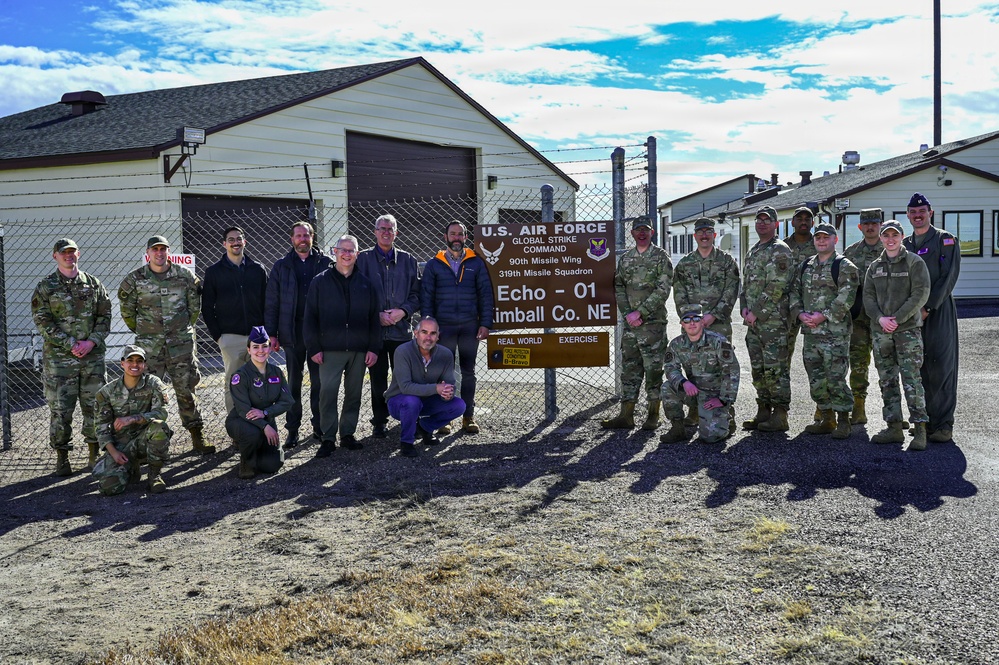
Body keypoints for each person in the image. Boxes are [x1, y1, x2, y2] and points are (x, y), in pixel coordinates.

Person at [119, 235, 213, 454]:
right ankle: (144, 443)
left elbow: (194, 308)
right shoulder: (135, 279)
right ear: (148, 253)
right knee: (147, 394)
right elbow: (128, 312)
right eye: (155, 250)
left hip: (180, 345)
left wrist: (178, 330)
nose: (159, 253)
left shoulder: (184, 276)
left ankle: (197, 436)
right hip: (149, 349)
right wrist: (147, 332)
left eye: (163, 249)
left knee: (186, 390)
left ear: (168, 252)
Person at [31, 238, 112, 476]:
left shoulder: (94, 284)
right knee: (60, 409)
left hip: (91, 358)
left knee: (94, 406)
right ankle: (62, 457)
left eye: (72, 252)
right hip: (59, 361)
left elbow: (105, 316)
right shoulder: (46, 287)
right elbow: (42, 320)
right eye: (63, 252)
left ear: (79, 254)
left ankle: (93, 454)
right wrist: (70, 344)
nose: (69, 256)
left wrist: (92, 341)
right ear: (55, 256)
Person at [304, 235, 381, 458]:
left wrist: (373, 348)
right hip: (329, 350)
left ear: (357, 254)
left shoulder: (366, 284)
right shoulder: (320, 281)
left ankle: (347, 434)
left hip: (359, 350)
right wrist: (314, 348)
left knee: (354, 393)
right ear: (335, 252)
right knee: (327, 393)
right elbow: (310, 318)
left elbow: (373, 320)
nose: (347, 254)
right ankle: (328, 438)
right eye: (343, 250)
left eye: (352, 250)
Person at [863, 220, 932, 450]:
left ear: (902, 236)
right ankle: (893, 427)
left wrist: (898, 318)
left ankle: (920, 428)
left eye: (895, 235)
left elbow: (920, 294)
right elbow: (868, 298)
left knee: (912, 380)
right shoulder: (875, 267)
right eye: (886, 235)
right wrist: (881, 319)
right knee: (887, 380)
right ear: (881, 238)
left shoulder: (914, 262)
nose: (890, 239)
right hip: (881, 331)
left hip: (907, 331)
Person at [420, 221, 494, 434]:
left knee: (468, 372)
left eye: (460, 234)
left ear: (465, 237)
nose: (456, 238)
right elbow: (427, 298)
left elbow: (485, 295)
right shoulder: (434, 264)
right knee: (445, 374)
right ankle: (445, 417)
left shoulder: (476, 263)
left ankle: (468, 416)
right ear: (445, 237)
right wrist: (430, 328)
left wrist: (485, 323)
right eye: (452, 234)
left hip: (470, 327)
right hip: (444, 328)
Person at [264, 222, 333, 448]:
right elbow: (272, 302)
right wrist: (272, 334)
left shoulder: (325, 263)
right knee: (293, 384)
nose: (302, 239)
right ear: (291, 239)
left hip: (318, 335)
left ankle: (319, 427)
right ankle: (292, 430)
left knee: (318, 382)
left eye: (306, 235)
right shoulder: (281, 266)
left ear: (312, 237)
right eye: (298, 236)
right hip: (291, 333)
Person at [601, 216, 673, 431]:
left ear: (652, 233)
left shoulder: (661, 257)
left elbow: (663, 289)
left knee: (653, 369)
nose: (642, 233)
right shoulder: (626, 259)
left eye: (646, 230)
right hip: (631, 325)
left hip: (653, 324)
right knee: (630, 369)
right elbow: (619, 287)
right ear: (632, 233)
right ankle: (626, 414)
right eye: (638, 230)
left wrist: (640, 312)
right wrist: (628, 313)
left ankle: (653, 415)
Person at [789, 222, 860, 439]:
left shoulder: (844, 266)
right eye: (818, 237)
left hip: (834, 334)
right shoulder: (805, 266)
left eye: (826, 237)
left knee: (836, 378)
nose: (821, 241)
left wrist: (823, 316)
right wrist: (800, 314)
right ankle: (826, 417)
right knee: (816, 379)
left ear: (835, 240)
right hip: (811, 334)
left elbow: (846, 297)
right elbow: (794, 292)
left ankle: (844, 421)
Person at [902, 193, 961, 442]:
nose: (918, 215)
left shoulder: (945, 240)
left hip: (937, 311)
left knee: (942, 367)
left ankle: (944, 425)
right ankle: (923, 422)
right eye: (913, 212)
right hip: (911, 313)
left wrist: (927, 308)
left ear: (930, 213)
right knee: (918, 367)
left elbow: (947, 278)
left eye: (922, 211)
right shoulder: (904, 243)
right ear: (907, 215)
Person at [356, 214, 421, 439]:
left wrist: (402, 311)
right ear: (374, 232)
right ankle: (380, 421)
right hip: (374, 333)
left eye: (390, 229)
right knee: (378, 379)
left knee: (404, 378)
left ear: (396, 233)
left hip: (401, 332)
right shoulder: (362, 260)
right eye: (382, 228)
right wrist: (376, 315)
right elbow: (356, 294)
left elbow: (416, 295)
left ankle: (406, 417)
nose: (386, 232)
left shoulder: (409, 261)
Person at [201, 226, 268, 413]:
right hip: (230, 338)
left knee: (259, 383)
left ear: (244, 242)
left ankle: (259, 425)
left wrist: (266, 332)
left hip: (257, 338)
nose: (235, 242)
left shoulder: (258, 270)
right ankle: (237, 427)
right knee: (234, 383)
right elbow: (206, 307)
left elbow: (267, 303)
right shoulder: (214, 272)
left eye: (239, 239)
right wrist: (219, 336)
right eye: (231, 240)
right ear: (224, 244)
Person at [740, 205, 794, 432]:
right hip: (753, 322)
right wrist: (743, 308)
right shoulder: (754, 250)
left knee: (775, 369)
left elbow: (776, 287)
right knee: (758, 368)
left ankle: (780, 415)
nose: (762, 223)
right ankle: (763, 409)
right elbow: (747, 284)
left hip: (772, 322)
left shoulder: (779, 250)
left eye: (767, 220)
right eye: (759, 219)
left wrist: (756, 312)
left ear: (776, 224)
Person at [92, 345, 173, 495]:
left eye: (139, 361)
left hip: (145, 438)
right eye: (130, 360)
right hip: (121, 446)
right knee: (109, 488)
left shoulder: (154, 384)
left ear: (145, 365)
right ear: (122, 363)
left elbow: (161, 413)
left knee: (159, 427)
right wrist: (114, 452)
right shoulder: (107, 392)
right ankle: (131, 468)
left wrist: (134, 418)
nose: (135, 365)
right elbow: (101, 427)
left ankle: (154, 476)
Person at [384, 317, 467, 457]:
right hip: (400, 401)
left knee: (459, 405)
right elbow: (405, 387)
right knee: (412, 401)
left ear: (438, 336)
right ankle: (407, 442)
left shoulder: (445, 354)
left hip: (428, 401)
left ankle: (424, 428)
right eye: (424, 332)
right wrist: (436, 388)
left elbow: (450, 383)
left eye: (433, 333)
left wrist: (448, 393)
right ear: (416, 333)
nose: (428, 337)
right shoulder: (402, 351)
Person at [659, 304, 740, 444]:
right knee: (667, 387)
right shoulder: (676, 344)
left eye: (696, 319)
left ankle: (727, 417)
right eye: (687, 320)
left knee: (710, 438)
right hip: (693, 391)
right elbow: (670, 368)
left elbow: (732, 371)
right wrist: (684, 382)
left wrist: (723, 400)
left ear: (702, 322)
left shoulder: (718, 342)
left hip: (714, 395)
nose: (691, 323)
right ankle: (678, 428)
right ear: (681, 324)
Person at [225, 326, 294, 478]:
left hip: (266, 419)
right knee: (252, 434)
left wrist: (266, 413)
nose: (260, 351)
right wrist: (265, 427)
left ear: (270, 348)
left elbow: (287, 401)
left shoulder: (276, 372)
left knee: (272, 466)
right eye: (255, 347)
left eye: (264, 346)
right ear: (249, 350)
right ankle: (246, 461)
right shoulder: (240, 376)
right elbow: (243, 410)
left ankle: (257, 452)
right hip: (241, 421)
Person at [843, 208, 885, 425]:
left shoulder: (890, 250)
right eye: (866, 224)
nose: (870, 227)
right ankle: (858, 407)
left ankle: (893, 413)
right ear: (860, 227)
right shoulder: (850, 253)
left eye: (874, 224)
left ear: (880, 225)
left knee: (888, 364)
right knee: (858, 363)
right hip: (859, 319)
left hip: (884, 319)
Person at [672, 217, 741, 341]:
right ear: (695, 236)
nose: (704, 236)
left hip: (720, 326)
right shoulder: (684, 264)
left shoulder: (726, 261)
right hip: (691, 327)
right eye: (700, 232)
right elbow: (679, 294)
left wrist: (713, 315)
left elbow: (731, 291)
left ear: (714, 235)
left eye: (708, 232)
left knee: (721, 359)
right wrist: (692, 319)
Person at [783, 206, 818, 359]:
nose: (803, 222)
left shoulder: (820, 245)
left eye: (807, 219)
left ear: (812, 222)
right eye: (799, 219)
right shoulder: (782, 247)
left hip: (813, 305)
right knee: (784, 350)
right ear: (792, 222)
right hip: (787, 305)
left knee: (815, 353)